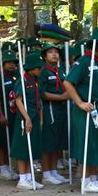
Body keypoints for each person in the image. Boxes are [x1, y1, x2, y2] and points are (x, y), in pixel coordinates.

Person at [64, 27, 98, 193]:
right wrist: (80, 103)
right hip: (87, 109)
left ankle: (93, 178)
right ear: (97, 45)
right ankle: (85, 180)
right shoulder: (84, 61)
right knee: (87, 144)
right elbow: (68, 83)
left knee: (96, 144)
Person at [11, 52, 45, 190]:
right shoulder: (22, 81)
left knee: (33, 146)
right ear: (32, 68)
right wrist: (27, 118)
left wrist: (40, 119)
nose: (40, 70)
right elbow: (18, 100)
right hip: (25, 118)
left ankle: (29, 177)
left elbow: (40, 100)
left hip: (35, 117)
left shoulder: (36, 82)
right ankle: (22, 178)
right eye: (38, 68)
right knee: (23, 148)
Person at [38, 43, 70, 185]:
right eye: (50, 52)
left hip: (61, 110)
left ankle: (54, 171)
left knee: (57, 142)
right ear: (44, 56)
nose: (54, 54)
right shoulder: (43, 72)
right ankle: (46, 173)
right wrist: (61, 97)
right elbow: (42, 93)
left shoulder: (61, 71)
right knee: (48, 143)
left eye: (56, 52)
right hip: (49, 109)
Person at [0, 49, 19, 180]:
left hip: (15, 114)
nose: (11, 65)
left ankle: (10, 167)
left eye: (13, 62)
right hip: (4, 115)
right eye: (8, 62)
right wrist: (0, 115)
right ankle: (3, 169)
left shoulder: (17, 77)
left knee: (11, 141)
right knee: (2, 142)